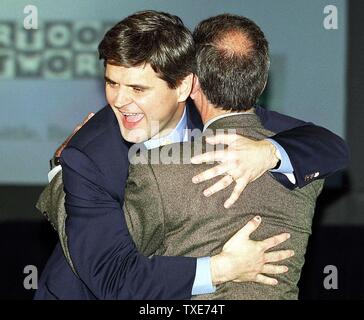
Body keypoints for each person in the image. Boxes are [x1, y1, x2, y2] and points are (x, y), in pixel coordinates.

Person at [35, 10, 348, 300]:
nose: (118, 100)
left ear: (186, 86)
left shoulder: (214, 110)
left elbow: (327, 145)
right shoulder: (90, 155)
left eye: (138, 89)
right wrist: (220, 268)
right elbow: (114, 279)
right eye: (111, 83)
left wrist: (268, 152)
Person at [122, 13, 325, 299]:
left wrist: (61, 172)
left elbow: (113, 269)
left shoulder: (158, 169)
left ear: (192, 84)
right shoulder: (308, 175)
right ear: (262, 82)